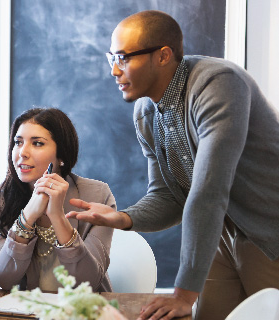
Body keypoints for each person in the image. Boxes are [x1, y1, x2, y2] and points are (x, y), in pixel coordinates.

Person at [66, 10, 279, 320]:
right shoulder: (145, 113)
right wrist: (123, 218)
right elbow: (168, 196)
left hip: (269, 232)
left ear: (163, 56)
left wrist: (183, 294)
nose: (113, 70)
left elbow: (209, 191)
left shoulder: (219, 84)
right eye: (111, 57)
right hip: (219, 234)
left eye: (123, 57)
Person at [0, 107, 116, 292]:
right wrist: (27, 216)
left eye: (37, 143)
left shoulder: (97, 196)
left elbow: (86, 282)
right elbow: (5, 279)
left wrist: (57, 216)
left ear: (61, 154)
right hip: (24, 311)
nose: (22, 152)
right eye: (18, 142)